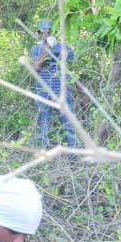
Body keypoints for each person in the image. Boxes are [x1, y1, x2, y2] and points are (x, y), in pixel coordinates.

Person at [29, 20, 78, 148]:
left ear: (55, 31)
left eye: (50, 31)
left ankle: (74, 154)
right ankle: (45, 155)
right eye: (43, 31)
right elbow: (35, 68)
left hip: (63, 93)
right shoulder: (36, 49)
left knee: (68, 124)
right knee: (44, 123)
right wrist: (47, 49)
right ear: (39, 33)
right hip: (44, 93)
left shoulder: (65, 48)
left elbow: (73, 69)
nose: (46, 34)